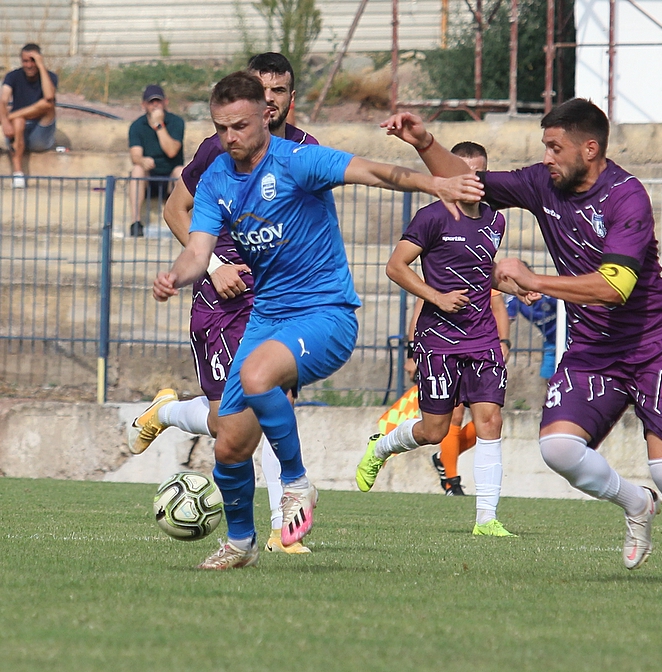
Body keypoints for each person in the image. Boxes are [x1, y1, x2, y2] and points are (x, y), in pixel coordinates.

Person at [150, 71, 483, 570]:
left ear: (266, 116)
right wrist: (174, 277)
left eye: (239, 126)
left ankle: (297, 482)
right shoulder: (217, 175)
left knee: (256, 376)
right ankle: (240, 544)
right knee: (230, 444)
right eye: (221, 128)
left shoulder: (298, 161)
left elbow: (373, 172)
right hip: (266, 318)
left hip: (325, 314)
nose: (230, 137)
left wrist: (435, 183)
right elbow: (198, 251)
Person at [381, 101, 662, 585]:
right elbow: (468, 182)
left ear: (590, 148)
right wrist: (424, 142)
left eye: (555, 147)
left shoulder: (626, 196)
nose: (546, 157)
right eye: (545, 147)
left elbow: (615, 286)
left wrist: (533, 278)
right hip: (593, 349)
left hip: (655, 346)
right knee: (559, 449)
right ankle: (636, 502)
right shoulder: (543, 183)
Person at [130, 53, 319, 554]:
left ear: (290, 97)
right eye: (262, 89)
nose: (270, 99)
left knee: (278, 404)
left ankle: (284, 529)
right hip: (222, 302)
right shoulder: (218, 148)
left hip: (276, 301)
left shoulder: (306, 150)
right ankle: (169, 412)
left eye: (279, 90)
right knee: (225, 424)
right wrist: (214, 265)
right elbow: (175, 209)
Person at [356, 142, 518, 537]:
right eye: (463, 172)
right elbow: (396, 266)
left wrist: (519, 286)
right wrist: (437, 297)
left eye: (478, 173)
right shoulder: (431, 217)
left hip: (482, 336)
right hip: (439, 338)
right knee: (435, 431)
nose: (471, 180)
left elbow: (482, 272)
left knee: (490, 420)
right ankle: (381, 446)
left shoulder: (495, 220)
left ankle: (487, 520)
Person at [403, 290, 511, 496]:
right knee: (453, 417)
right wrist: (411, 354)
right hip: (444, 350)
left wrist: (504, 342)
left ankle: (444, 458)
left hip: (480, 350)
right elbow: (419, 312)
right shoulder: (439, 276)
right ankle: (451, 482)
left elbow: (498, 307)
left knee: (489, 420)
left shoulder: (481, 273)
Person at [127, 85, 185, 237]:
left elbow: (172, 151)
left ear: (165, 102)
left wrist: (159, 126)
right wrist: (142, 160)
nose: (155, 105)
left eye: (158, 101)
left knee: (181, 172)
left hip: (170, 179)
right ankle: (136, 222)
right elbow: (135, 156)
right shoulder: (137, 126)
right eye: (151, 102)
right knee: (137, 170)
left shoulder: (176, 122)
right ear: (144, 105)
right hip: (149, 178)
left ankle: (183, 223)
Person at [1, 44, 57, 188]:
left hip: (40, 133)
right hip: (17, 132)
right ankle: (18, 174)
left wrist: (41, 66)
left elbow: (49, 97)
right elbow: (3, 100)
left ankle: (14, 116)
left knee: (48, 104)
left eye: (33, 61)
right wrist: (5, 122)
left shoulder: (50, 77)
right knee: (19, 121)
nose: (29, 65)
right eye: (25, 61)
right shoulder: (13, 76)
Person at [506, 292, 558, 381]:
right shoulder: (514, 298)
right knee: (548, 374)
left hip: (569, 335)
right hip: (550, 340)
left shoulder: (546, 293)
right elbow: (505, 319)